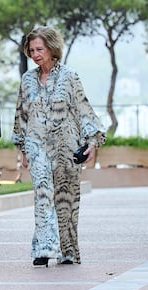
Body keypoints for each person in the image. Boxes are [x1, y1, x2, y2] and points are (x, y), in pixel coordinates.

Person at [12, 26, 106, 267]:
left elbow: (84, 110)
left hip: (66, 146)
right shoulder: (27, 80)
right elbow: (21, 114)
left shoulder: (70, 77)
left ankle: (68, 251)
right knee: (42, 195)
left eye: (39, 49)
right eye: (31, 50)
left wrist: (92, 141)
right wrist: (22, 147)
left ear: (52, 48)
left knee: (66, 200)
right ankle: (43, 250)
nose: (35, 54)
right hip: (37, 146)